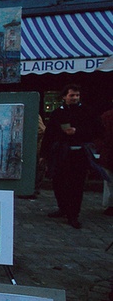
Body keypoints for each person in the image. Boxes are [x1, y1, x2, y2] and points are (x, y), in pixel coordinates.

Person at [41, 84, 102, 229]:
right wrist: (44, 154)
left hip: (79, 153)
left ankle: (73, 214)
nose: (75, 98)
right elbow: (49, 135)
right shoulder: (58, 113)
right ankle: (63, 208)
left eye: (77, 95)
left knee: (76, 185)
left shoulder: (86, 112)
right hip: (61, 153)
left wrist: (78, 131)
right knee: (58, 182)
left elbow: (97, 130)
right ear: (64, 97)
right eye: (72, 95)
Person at [101, 104, 113, 216]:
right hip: (109, 152)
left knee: (109, 181)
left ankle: (110, 204)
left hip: (109, 153)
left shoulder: (107, 116)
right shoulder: (108, 116)